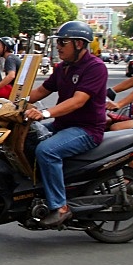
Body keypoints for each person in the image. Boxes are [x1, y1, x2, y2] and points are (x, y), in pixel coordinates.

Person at [23, 21, 109, 228]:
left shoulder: (95, 68)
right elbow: (40, 91)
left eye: (63, 42)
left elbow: (78, 101)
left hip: (87, 129)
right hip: (64, 125)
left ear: (79, 44)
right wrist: (11, 100)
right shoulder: (62, 68)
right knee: (25, 138)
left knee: (46, 151)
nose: (59, 46)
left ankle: (60, 207)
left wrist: (44, 112)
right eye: (58, 42)